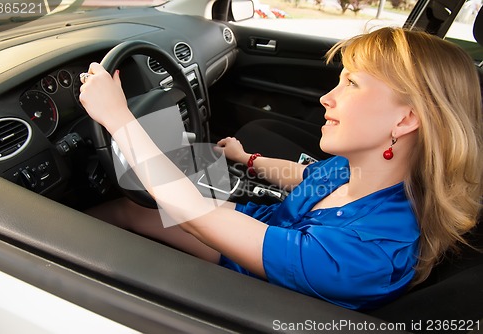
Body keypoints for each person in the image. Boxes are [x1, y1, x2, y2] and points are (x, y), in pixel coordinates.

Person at [79, 27, 482, 310]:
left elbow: (194, 216)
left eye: (352, 84)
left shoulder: (366, 255)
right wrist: (246, 159)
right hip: (265, 230)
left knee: (136, 206)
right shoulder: (362, 173)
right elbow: (304, 174)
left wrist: (118, 118)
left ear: (405, 120)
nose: (327, 97)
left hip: (243, 292)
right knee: (141, 199)